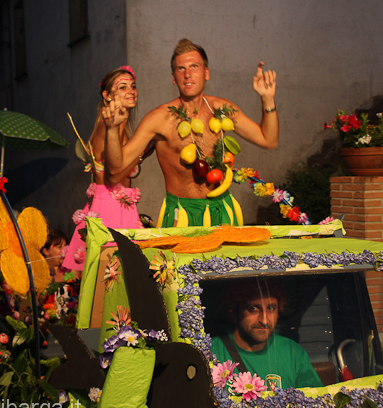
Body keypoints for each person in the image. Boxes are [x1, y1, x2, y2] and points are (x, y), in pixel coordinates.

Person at [103, 39, 278, 227]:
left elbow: (268, 140)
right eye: (181, 69)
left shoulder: (222, 109)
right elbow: (115, 171)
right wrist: (112, 129)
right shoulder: (159, 118)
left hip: (222, 210)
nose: (187, 75)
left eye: (194, 67)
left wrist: (267, 99)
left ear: (206, 73)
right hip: (181, 215)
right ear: (173, 78)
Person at [62, 66, 146, 272]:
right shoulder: (110, 129)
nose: (131, 91)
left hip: (116, 205)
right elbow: (112, 176)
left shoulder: (118, 128)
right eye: (122, 87)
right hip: (111, 209)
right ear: (107, 95)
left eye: (133, 86)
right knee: (113, 276)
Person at [209, 280, 322, 390]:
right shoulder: (211, 351)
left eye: (271, 308)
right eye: (253, 309)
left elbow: (316, 398)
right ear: (234, 313)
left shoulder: (293, 352)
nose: (264, 320)